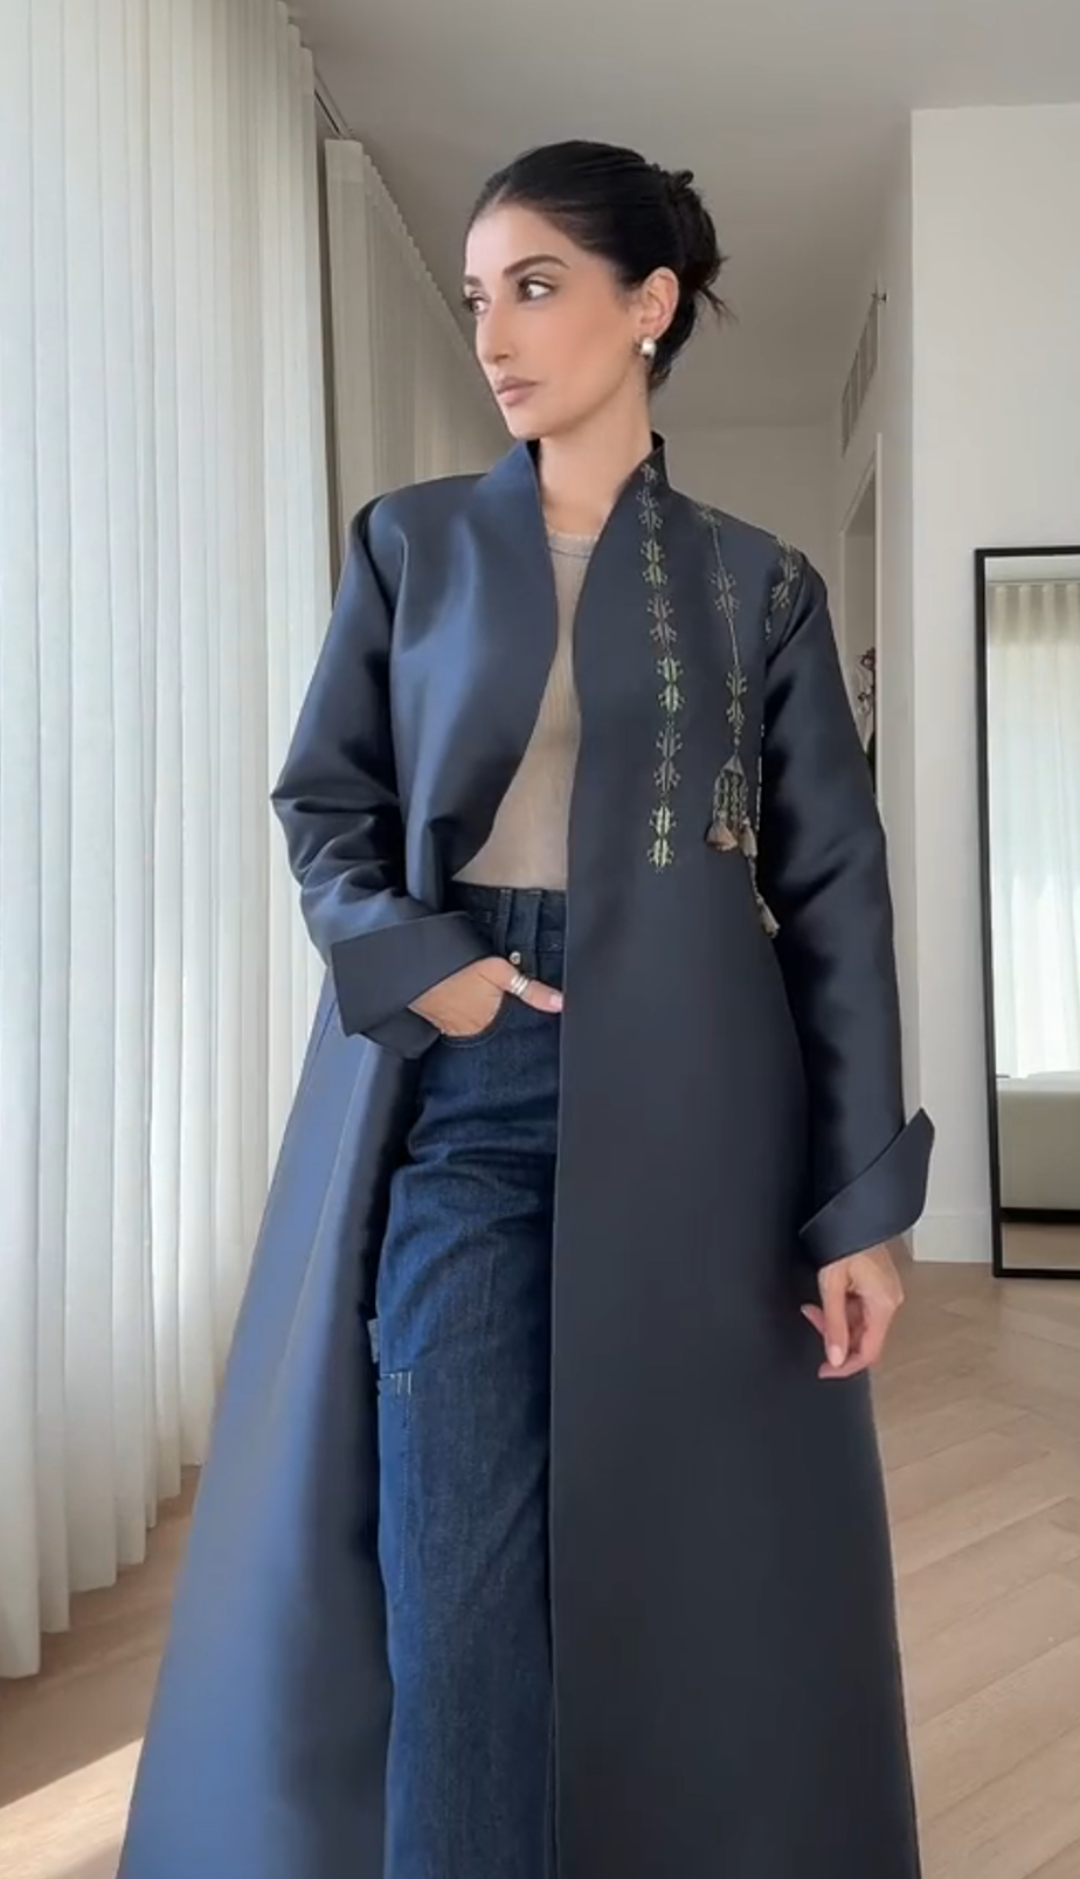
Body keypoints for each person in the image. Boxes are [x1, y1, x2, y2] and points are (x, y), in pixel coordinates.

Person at [119, 140, 934, 1879]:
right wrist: (432, 962)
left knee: (685, 1578)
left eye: (539, 286)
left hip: (707, 1115)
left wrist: (858, 1205)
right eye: (481, 293)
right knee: (458, 1585)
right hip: (470, 1084)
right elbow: (326, 807)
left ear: (652, 306)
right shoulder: (409, 545)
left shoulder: (761, 586)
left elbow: (835, 895)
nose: (496, 333)